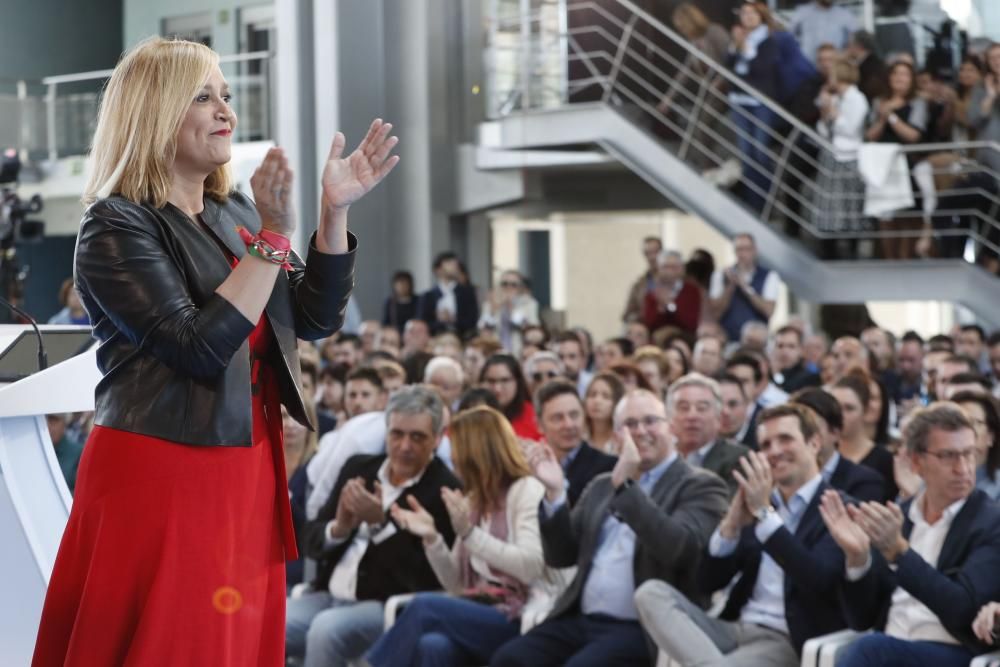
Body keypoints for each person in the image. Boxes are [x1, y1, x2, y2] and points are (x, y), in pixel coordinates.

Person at [31, 37, 394, 667]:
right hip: (164, 468)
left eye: (226, 94)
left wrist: (332, 214)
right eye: (204, 96)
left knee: (229, 642)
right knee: (176, 641)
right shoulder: (116, 225)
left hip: (246, 464)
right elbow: (196, 347)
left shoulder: (237, 213)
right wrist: (273, 237)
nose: (225, 109)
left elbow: (309, 318)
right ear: (156, 112)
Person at [492, 389, 729, 667]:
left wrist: (626, 488)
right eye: (629, 424)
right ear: (616, 435)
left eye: (650, 420)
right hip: (579, 619)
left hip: (641, 629)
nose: (640, 431)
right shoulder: (602, 484)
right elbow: (562, 556)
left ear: (671, 427)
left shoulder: (700, 484)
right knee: (508, 659)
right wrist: (555, 495)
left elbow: (680, 550)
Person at [635, 404, 849, 665]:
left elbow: (818, 581)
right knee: (651, 593)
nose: (775, 451)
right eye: (766, 444)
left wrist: (765, 516)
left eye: (785, 439)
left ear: (814, 443)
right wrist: (731, 526)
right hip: (733, 626)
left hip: (786, 639)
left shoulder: (839, 508)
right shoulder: (758, 503)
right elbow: (707, 583)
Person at [289, 387, 462, 667]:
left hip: (388, 606)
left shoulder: (445, 490)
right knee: (268, 620)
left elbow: (425, 579)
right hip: (328, 594)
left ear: (437, 439)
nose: (405, 446)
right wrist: (340, 528)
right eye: (397, 434)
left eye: (417, 437)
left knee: (325, 631)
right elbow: (310, 540)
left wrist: (380, 525)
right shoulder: (360, 468)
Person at [819, 402, 1000, 667]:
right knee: (870, 647)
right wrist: (857, 560)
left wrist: (900, 553)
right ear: (917, 462)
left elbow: (963, 610)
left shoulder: (991, 521)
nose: (963, 468)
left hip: (953, 653)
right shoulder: (900, 516)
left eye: (968, 454)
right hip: (891, 645)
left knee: (871, 649)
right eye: (948, 456)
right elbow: (861, 619)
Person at [366, 406, 546, 667]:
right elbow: (456, 585)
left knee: (423, 607)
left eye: (457, 450)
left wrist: (470, 534)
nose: (453, 460)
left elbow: (530, 566)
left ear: (476, 453)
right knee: (433, 646)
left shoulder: (525, 491)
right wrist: (432, 539)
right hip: (479, 609)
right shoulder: (474, 500)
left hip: (521, 616)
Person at [865, 61, 929, 260]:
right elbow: (870, 135)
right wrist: (882, 117)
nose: (899, 78)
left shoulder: (918, 103)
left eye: (904, 75)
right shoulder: (878, 102)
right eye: (895, 74)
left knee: (908, 215)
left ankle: (906, 259)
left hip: (906, 162)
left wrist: (892, 117)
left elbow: (913, 135)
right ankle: (889, 258)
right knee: (885, 215)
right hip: (882, 164)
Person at [813, 57, 870, 260]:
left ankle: (851, 249)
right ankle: (828, 249)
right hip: (831, 155)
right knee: (829, 206)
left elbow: (850, 129)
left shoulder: (857, 99)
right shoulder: (836, 99)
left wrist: (834, 114)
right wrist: (825, 111)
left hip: (849, 157)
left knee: (849, 205)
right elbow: (823, 129)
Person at [726, 2, 780, 213]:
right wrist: (734, 46)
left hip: (760, 103)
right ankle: (753, 204)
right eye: (744, 13)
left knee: (760, 152)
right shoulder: (739, 38)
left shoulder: (769, 41)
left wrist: (745, 47)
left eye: (752, 13)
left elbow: (761, 68)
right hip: (739, 101)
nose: (747, 17)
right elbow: (729, 66)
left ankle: (766, 200)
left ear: (761, 16)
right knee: (747, 155)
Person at [792, 387, 886, 502]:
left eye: (810, 428)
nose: (802, 436)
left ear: (835, 433)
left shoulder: (865, 481)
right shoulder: (780, 475)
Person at [531, 380, 617, 506]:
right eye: (558, 418)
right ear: (539, 425)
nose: (569, 425)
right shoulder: (530, 469)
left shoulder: (608, 468)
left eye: (574, 415)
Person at [669, 373, 751, 497]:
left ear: (718, 418)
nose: (692, 416)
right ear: (669, 418)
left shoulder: (739, 460)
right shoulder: (659, 457)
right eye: (684, 408)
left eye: (701, 408)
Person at [831, 371, 897, 501]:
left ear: (865, 410)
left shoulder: (885, 460)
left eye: (849, 408)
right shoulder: (824, 455)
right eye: (836, 408)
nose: (841, 415)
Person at [708, 234, 781, 343]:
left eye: (747, 249)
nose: (743, 254)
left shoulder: (770, 276)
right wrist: (730, 286)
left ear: (755, 250)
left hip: (757, 341)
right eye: (739, 249)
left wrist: (745, 287)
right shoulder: (720, 275)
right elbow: (715, 313)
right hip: (728, 340)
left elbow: (768, 310)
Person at [480, 353, 543, 441]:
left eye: (505, 380)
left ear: (517, 382)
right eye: (491, 381)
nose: (497, 388)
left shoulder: (534, 417)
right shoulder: (472, 416)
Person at [951, 390, 1000, 501]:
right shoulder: (928, 481)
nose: (962, 430)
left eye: (972, 423)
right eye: (954, 422)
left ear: (991, 436)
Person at [417, 252, 480, 337]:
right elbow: (422, 323)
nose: (455, 266)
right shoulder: (428, 296)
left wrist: (452, 320)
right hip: (434, 341)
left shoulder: (468, 293)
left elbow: (473, 321)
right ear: (438, 270)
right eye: (449, 263)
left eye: (456, 264)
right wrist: (440, 322)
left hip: (462, 340)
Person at [642, 249, 701, 339]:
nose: (669, 271)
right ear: (658, 269)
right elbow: (649, 324)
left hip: (685, 339)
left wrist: (670, 305)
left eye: (673, 267)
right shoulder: (652, 292)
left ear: (682, 269)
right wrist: (661, 309)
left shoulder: (692, 291)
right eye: (665, 267)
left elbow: (690, 324)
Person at [478, 269, 540, 355]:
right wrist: (493, 309)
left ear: (520, 287)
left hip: (520, 352)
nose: (508, 287)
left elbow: (531, 330)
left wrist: (511, 307)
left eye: (513, 284)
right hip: (494, 351)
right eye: (504, 284)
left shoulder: (529, 304)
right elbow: (483, 329)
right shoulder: (490, 303)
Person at [789, 0, 857, 64]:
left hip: (834, 69)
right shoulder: (802, 12)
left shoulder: (845, 14)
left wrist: (843, 56)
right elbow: (789, 37)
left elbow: (855, 40)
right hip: (807, 67)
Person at [968, 43, 1000, 175]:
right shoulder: (980, 87)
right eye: (992, 58)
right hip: (989, 149)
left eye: (999, 56)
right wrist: (990, 96)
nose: (996, 61)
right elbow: (973, 120)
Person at [584, 372, 627, 455]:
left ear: (617, 402)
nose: (597, 401)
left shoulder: (622, 441)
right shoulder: (579, 439)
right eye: (592, 395)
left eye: (606, 396)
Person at [622, 236, 662, 324]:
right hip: (645, 327)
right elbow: (627, 314)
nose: (652, 257)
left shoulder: (677, 280)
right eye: (648, 253)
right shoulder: (639, 285)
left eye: (656, 252)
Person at [772, 325, 822, 393]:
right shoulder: (765, 374)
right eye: (780, 346)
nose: (785, 351)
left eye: (791, 346)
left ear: (801, 350)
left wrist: (776, 376)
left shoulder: (809, 379)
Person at [45, 413, 85, 493]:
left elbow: (82, 493)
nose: (48, 426)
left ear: (64, 423)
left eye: (53, 421)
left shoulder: (78, 452)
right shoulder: (35, 453)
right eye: (44, 421)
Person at [846, 29, 887, 104]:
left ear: (858, 46)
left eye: (849, 44)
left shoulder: (873, 67)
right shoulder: (871, 63)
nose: (848, 48)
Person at [718, 373, 751, 443]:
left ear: (747, 405)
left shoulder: (763, 441)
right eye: (718, 405)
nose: (725, 412)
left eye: (732, 404)